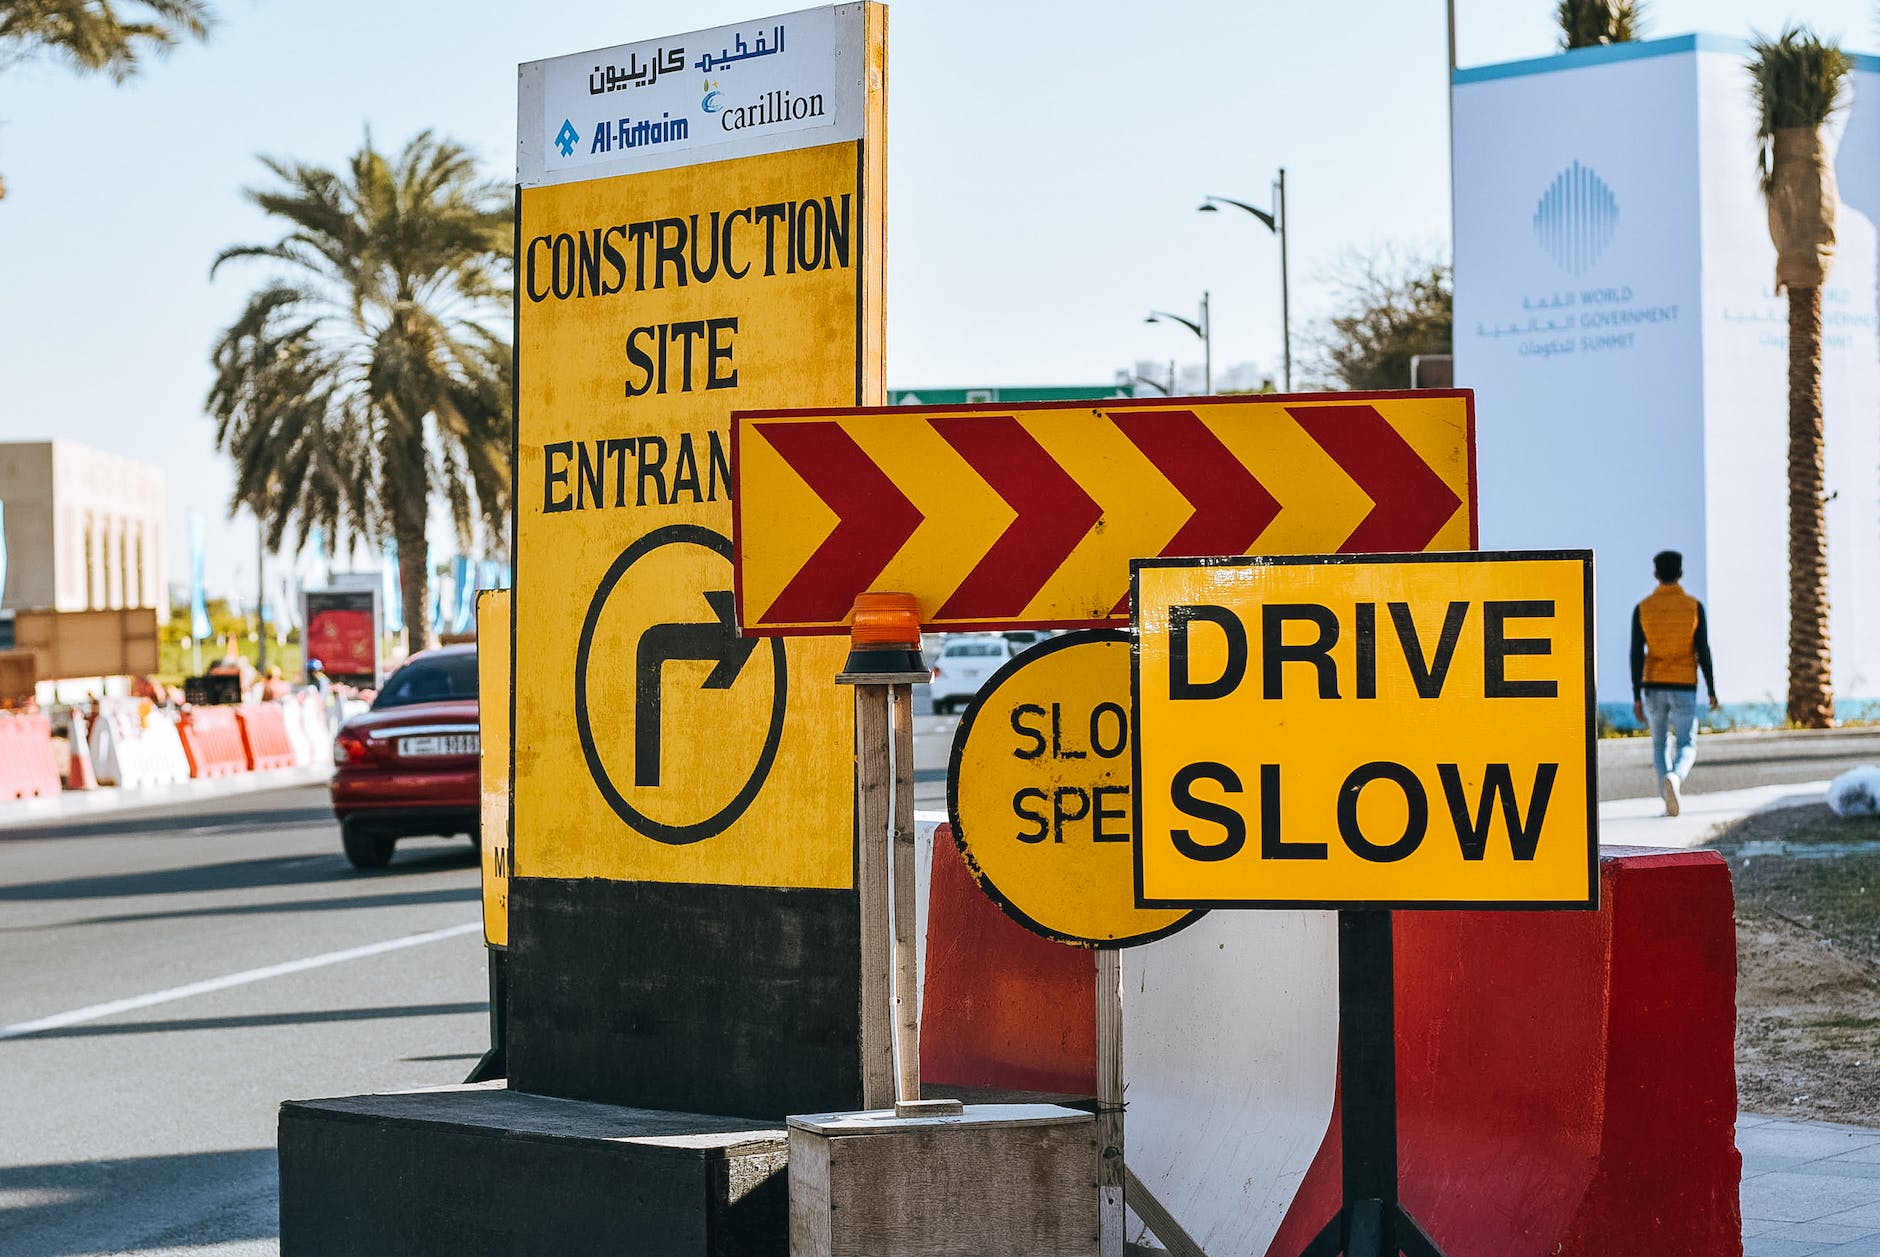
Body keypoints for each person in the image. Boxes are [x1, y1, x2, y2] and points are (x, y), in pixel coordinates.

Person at [1630, 550, 1720, 817]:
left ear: (1655, 574)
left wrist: (1636, 694)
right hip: (1684, 684)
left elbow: (1636, 653)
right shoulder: (1693, 606)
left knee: (1659, 744)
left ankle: (1666, 794)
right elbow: (1703, 650)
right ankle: (1676, 778)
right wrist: (1712, 690)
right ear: (1680, 573)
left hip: (1654, 684)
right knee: (1687, 744)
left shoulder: (1643, 608)